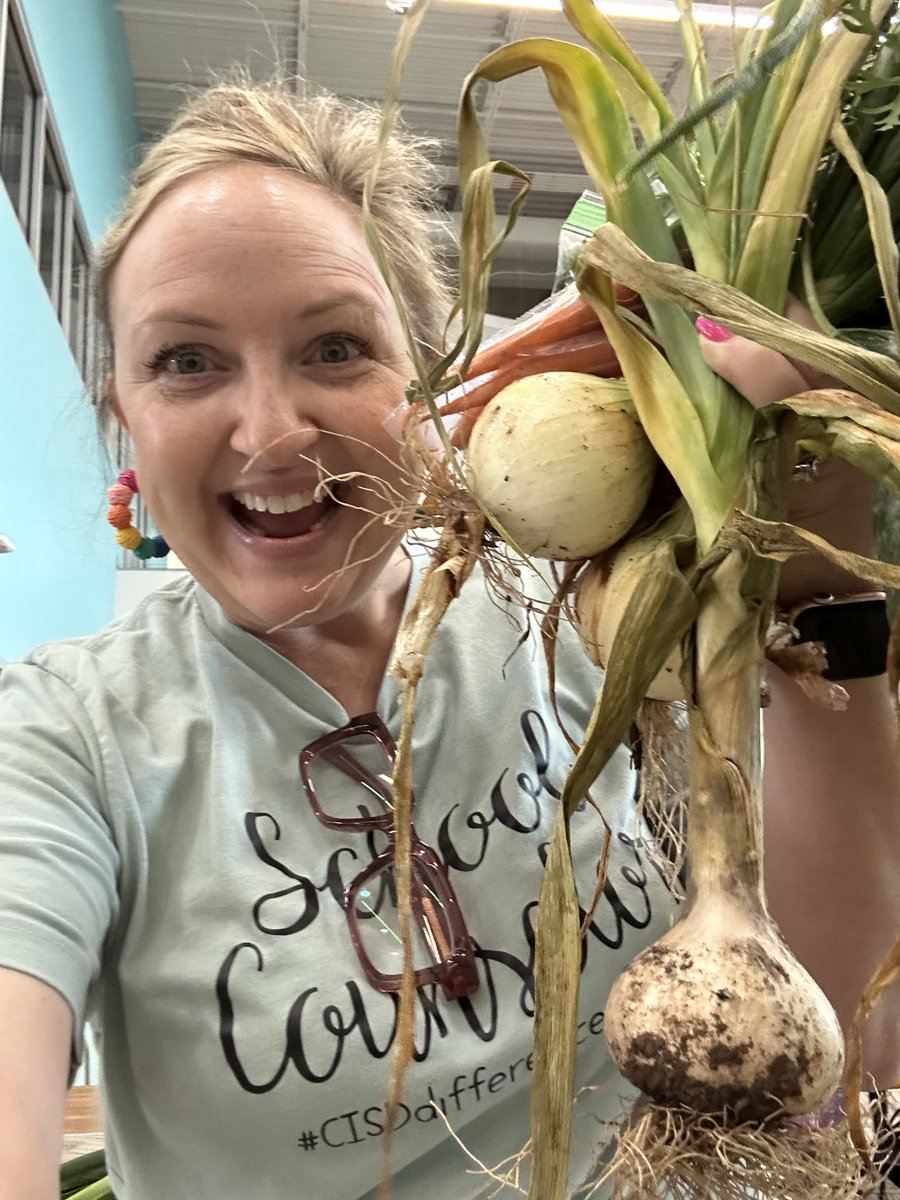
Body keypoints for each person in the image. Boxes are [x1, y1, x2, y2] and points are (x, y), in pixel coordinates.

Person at [0, 80, 897, 1200]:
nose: (272, 431)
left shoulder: (587, 612)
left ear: (433, 381)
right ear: (121, 410)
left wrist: (817, 548)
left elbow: (856, 1015)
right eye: (186, 360)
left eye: (336, 348)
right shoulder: (61, 737)